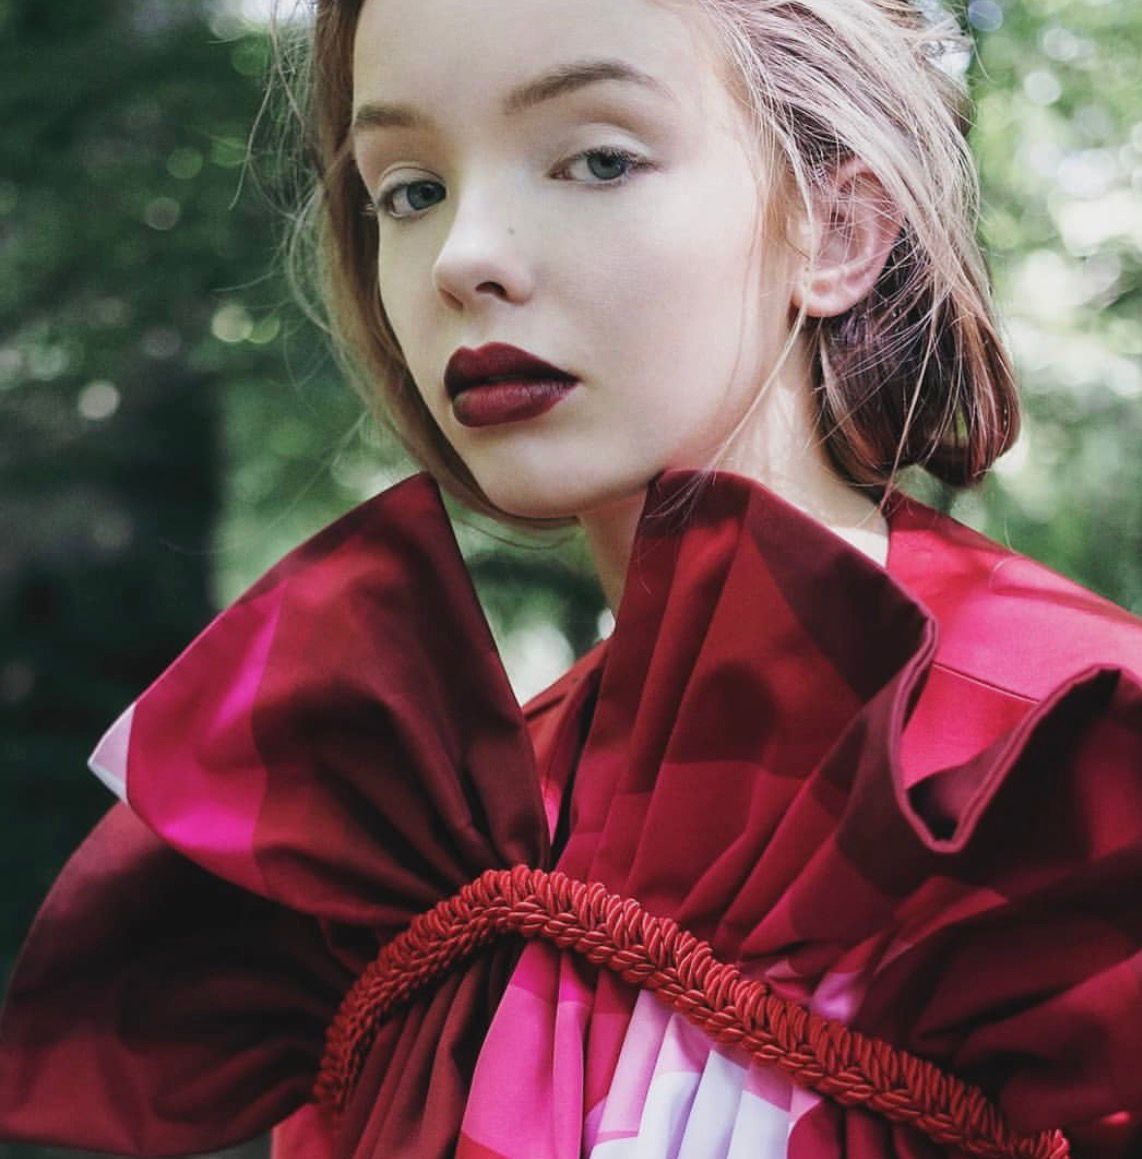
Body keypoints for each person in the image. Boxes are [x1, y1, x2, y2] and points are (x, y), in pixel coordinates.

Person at [0, 0, 1139, 1156]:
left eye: (596, 159)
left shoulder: (1063, 761)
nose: (462, 257)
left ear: (835, 228)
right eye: (408, 189)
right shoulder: (410, 832)